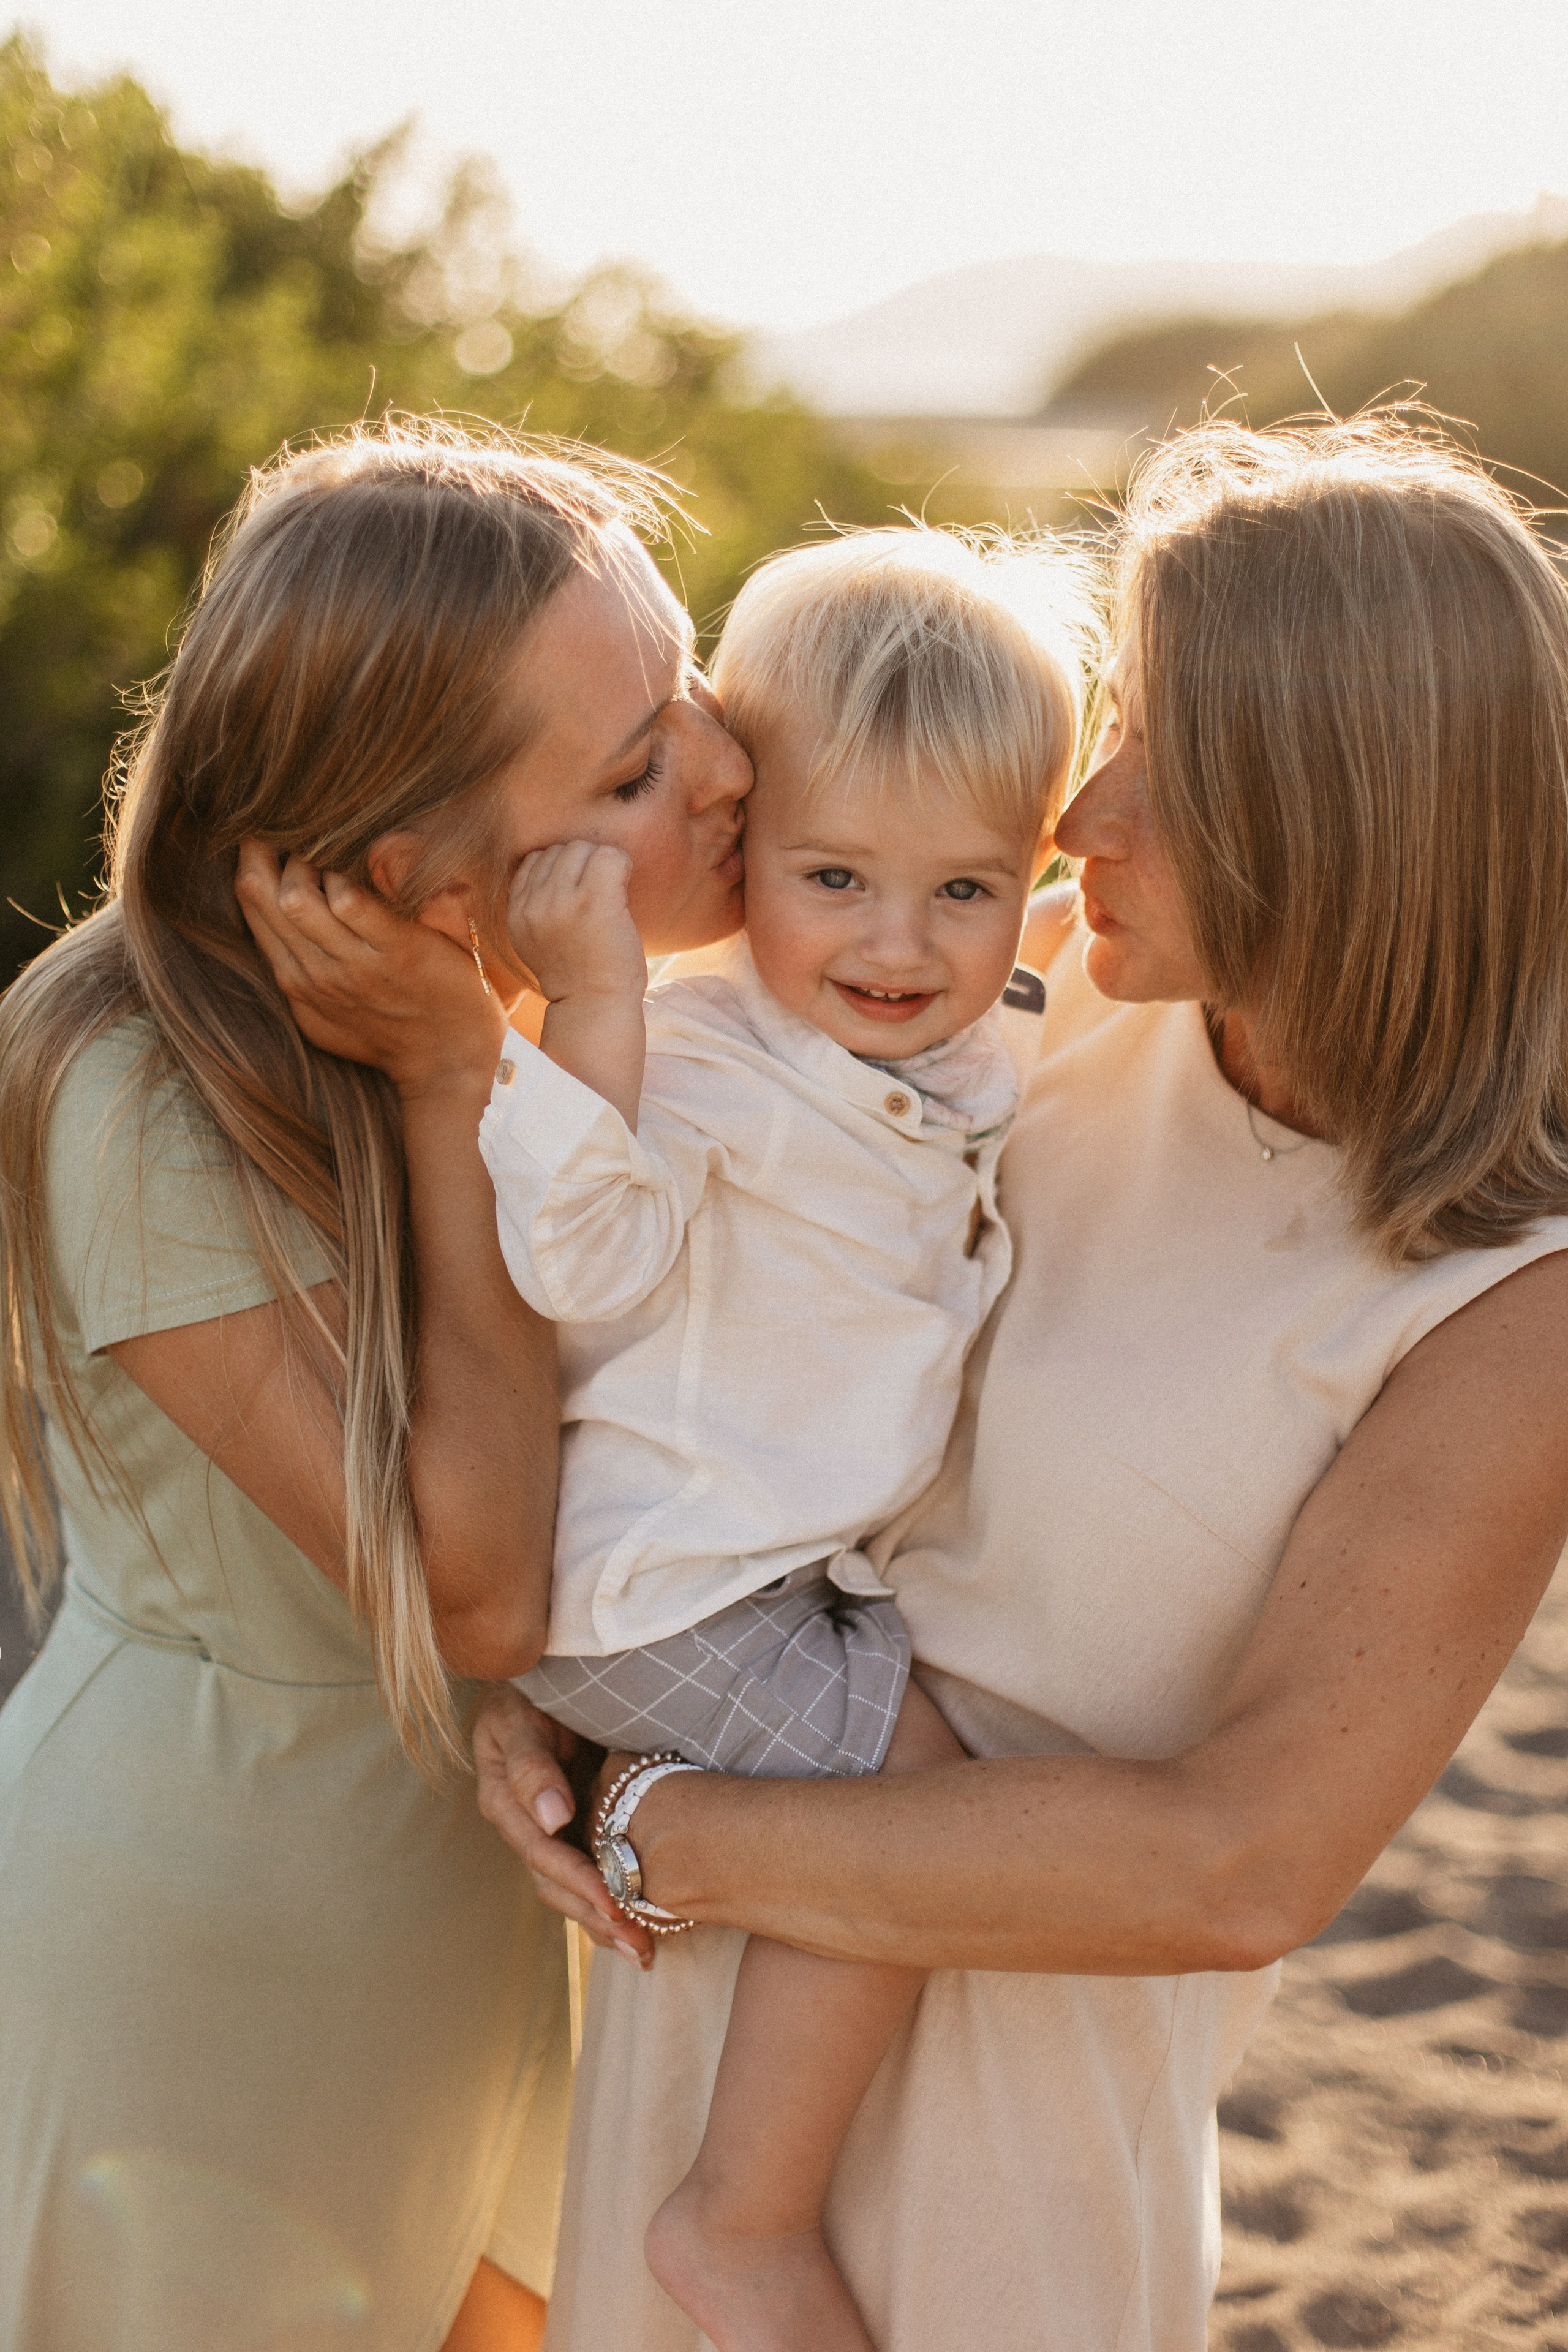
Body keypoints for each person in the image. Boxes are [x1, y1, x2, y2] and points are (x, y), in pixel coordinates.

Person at [454, 416, 1568, 2352]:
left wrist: (659, 1825)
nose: (1078, 813)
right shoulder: (1012, 997)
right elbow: (651, 1312)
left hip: (1009, 2142)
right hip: (687, 2025)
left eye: (1165, 754)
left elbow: (1245, 1862)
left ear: (1344, 807)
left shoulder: (1506, 1303)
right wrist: (537, 1698)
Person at [0, 420, 752, 2352]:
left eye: (694, 688)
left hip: (474, 1890)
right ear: (411, 874)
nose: (731, 773)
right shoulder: (136, 1091)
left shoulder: (583, 1020)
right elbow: (473, 1585)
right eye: (642, 761)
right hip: (221, 1931)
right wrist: (443, 1092)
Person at [481, 527, 1089, 2351]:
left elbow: (1034, 989)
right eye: (835, 877)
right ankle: (742, 2221)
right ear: (749, 856)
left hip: (760, 1573)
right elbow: (572, 1252)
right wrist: (591, 1006)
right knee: (917, 1813)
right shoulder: (708, 1053)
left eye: (965, 891)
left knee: (917, 1788)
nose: (899, 946)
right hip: (662, 1584)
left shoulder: (949, 1027)